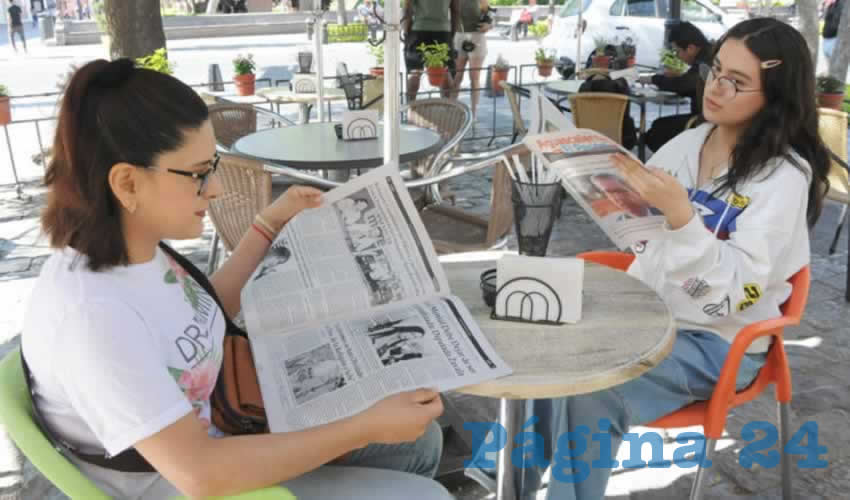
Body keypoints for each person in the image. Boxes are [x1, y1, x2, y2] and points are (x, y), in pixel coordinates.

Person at [21, 59, 453, 500]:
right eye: (198, 174)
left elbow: (201, 310)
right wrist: (363, 427)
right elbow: (200, 474)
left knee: (419, 443)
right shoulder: (93, 316)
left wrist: (267, 227)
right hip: (179, 482)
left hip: (215, 435)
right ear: (128, 183)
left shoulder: (134, 248)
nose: (215, 190)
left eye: (214, 166)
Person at [471, 18, 831, 500]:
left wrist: (683, 219)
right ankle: (495, 479)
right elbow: (642, 237)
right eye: (716, 69)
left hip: (717, 339)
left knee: (592, 388)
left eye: (737, 82)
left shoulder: (782, 177)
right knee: (546, 347)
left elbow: (730, 294)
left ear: (775, 96)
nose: (716, 88)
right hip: (651, 313)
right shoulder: (686, 144)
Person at [640, 22, 712, 152]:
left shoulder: (705, 62)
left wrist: (654, 79)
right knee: (657, 126)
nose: (677, 56)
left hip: (705, 123)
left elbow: (684, 85)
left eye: (677, 51)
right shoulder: (709, 55)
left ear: (690, 48)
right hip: (707, 119)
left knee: (656, 132)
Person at [403, 0, 459, 101]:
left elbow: (408, 8)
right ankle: (448, 110)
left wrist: (407, 31)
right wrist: (451, 35)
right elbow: (455, 10)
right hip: (443, 31)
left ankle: (409, 107)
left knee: (415, 72)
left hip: (418, 30)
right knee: (444, 71)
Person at [451, 0, 491, 118]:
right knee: (456, 77)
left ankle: (473, 114)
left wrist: (488, 25)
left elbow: (490, 16)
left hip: (477, 37)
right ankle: (452, 110)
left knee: (474, 77)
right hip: (459, 37)